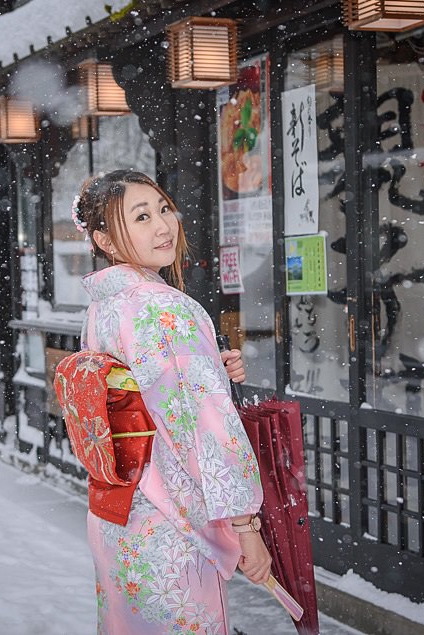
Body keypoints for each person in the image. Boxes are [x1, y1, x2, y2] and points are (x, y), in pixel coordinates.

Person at [71, 169, 270, 634]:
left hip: (119, 515)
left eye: (163, 209)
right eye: (141, 217)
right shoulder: (164, 307)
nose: (163, 226)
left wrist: (208, 369)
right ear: (105, 239)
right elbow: (206, 425)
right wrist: (246, 527)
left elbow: (148, 396)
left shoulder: (105, 306)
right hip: (170, 524)